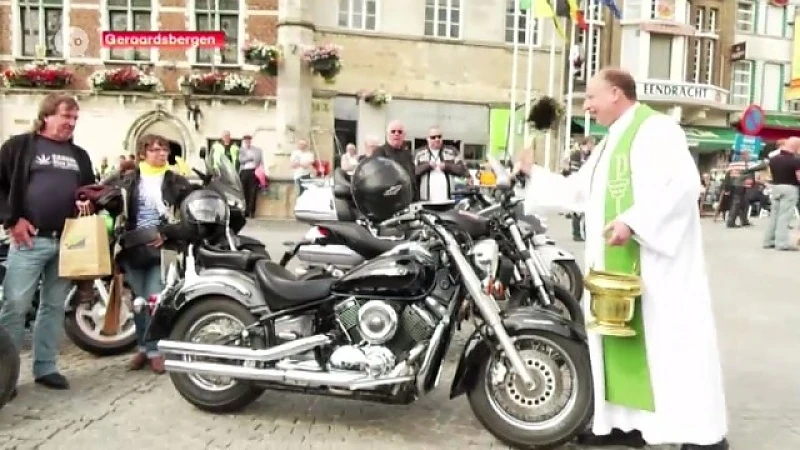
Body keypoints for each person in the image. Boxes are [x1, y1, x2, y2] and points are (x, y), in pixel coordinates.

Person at [518, 68, 728, 450]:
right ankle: (625, 425)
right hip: (616, 267)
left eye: (591, 98)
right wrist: (533, 174)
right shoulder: (609, 142)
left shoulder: (658, 129)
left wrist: (633, 222)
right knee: (616, 340)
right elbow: (576, 192)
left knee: (670, 348)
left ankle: (699, 435)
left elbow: (682, 185)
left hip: (656, 268)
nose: (588, 107)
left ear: (615, 93)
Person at [0, 93, 96, 392]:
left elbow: (88, 191)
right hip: (30, 240)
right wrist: (12, 220)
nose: (71, 123)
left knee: (54, 306)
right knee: (15, 306)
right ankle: (6, 375)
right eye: (66, 116)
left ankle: (45, 367)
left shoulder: (79, 155)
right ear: (46, 116)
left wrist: (89, 201)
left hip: (70, 241)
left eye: (75, 118)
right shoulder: (19, 146)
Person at [105, 134, 196, 372]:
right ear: (143, 153)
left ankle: (156, 350)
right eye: (155, 150)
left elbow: (188, 217)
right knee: (138, 302)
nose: (161, 154)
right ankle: (144, 349)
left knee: (155, 299)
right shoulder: (127, 180)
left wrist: (166, 233)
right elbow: (105, 198)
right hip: (132, 247)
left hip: (162, 249)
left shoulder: (177, 182)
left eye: (164, 150)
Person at [763, 137, 800, 251]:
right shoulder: (796, 161)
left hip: (776, 187)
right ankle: (782, 243)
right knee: (784, 217)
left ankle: (769, 241)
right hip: (790, 188)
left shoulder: (773, 160)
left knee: (774, 215)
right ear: (795, 147)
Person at [413, 126, 467, 202]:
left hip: (448, 200)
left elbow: (462, 169)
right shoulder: (418, 153)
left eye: (439, 137)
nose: (437, 139)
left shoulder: (452, 151)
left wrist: (447, 166)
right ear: (427, 139)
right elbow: (412, 172)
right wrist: (427, 166)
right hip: (426, 201)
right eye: (433, 137)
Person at [373, 120, 416, 199]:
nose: (396, 134)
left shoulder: (407, 154)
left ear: (404, 135)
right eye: (393, 131)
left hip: (407, 199)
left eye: (400, 132)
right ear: (387, 135)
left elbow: (412, 177)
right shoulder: (379, 152)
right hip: (388, 199)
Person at [238, 135, 262, 218]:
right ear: (244, 141)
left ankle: (252, 211)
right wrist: (250, 158)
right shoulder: (240, 150)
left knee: (253, 192)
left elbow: (260, 161)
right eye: (246, 140)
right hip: (244, 171)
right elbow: (241, 160)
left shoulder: (257, 150)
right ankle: (245, 210)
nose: (248, 142)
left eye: (249, 140)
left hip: (253, 171)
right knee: (244, 192)